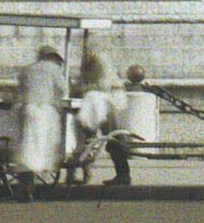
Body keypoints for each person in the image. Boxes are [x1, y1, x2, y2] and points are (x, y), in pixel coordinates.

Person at [66, 44, 136, 191]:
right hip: (99, 106)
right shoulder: (91, 64)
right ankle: (85, 173)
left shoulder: (101, 63)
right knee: (94, 139)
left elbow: (101, 85)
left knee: (113, 140)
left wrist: (81, 89)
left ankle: (123, 175)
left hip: (109, 104)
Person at [11, 44, 69, 189]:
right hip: (46, 111)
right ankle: (35, 179)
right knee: (45, 146)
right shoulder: (55, 69)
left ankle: (26, 185)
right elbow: (63, 90)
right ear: (53, 58)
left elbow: (19, 90)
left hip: (28, 110)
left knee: (28, 147)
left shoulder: (27, 69)